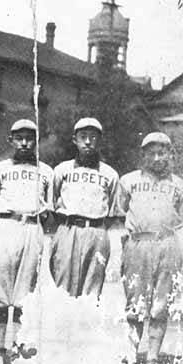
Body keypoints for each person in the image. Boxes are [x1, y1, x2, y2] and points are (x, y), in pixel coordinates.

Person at [116, 132, 183, 364]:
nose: (157, 158)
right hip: (138, 244)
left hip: (167, 245)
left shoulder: (180, 186)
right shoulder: (128, 181)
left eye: (162, 152)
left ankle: (153, 359)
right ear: (143, 155)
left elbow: (180, 214)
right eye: (152, 153)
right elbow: (121, 211)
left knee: (161, 305)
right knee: (135, 304)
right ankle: (130, 357)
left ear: (170, 154)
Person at [0, 119, 53, 364]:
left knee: (25, 295)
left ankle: (17, 348)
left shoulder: (46, 171)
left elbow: (49, 210)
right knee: (1, 296)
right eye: (19, 138)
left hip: (32, 227)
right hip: (5, 225)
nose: (24, 143)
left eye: (30, 138)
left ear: (36, 141)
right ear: (10, 140)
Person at [50, 118, 120, 299]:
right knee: (62, 289)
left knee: (91, 291)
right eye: (83, 137)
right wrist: (67, 225)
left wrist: (95, 226)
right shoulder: (61, 170)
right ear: (75, 140)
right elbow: (53, 203)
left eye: (93, 137)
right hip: (68, 230)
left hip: (96, 232)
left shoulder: (110, 174)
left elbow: (113, 211)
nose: (88, 142)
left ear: (100, 140)